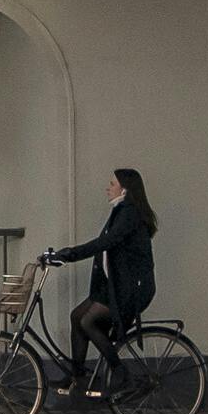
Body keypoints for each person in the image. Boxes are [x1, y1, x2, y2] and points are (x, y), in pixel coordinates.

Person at [41, 167, 156, 393]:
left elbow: (105, 243)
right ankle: (77, 377)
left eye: (112, 184)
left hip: (131, 289)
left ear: (124, 189)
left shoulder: (129, 213)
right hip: (115, 286)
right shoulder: (120, 211)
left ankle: (121, 373)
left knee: (88, 321)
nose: (108, 187)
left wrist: (68, 254)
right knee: (77, 316)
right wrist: (60, 256)